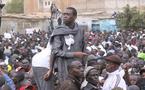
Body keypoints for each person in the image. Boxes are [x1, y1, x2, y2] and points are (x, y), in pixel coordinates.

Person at [46, 7, 87, 82]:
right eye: (64, 14)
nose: (64, 16)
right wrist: (51, 69)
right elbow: (55, 51)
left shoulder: (80, 30)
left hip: (78, 67)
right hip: (64, 67)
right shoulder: (58, 31)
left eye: (67, 14)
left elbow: (84, 50)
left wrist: (84, 66)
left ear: (75, 17)